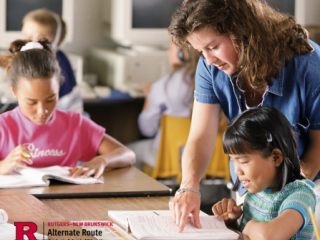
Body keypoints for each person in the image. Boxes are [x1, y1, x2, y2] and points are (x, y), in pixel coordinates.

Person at [168, 0, 320, 232]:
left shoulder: (310, 65)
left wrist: (287, 192)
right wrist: (189, 187)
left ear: (242, 33)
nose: (208, 60)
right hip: (255, 188)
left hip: (306, 188)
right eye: (200, 51)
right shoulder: (210, 67)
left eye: (213, 47)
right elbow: (200, 136)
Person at [0, 39, 135, 178]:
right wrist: (3, 165)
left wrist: (101, 160)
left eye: (50, 99)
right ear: (14, 91)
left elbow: (128, 154)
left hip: (65, 198)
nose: (42, 111)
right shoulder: (3, 126)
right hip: (17, 199)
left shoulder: (74, 123)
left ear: (58, 86)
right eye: (32, 102)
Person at [212, 106, 320, 240]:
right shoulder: (255, 194)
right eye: (233, 160)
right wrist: (231, 221)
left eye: (243, 161)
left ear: (275, 158)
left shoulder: (301, 196)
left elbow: (269, 236)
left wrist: (250, 226)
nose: (236, 170)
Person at [127, 39, 199, 170]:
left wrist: (148, 97)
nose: (167, 52)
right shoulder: (211, 81)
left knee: (127, 153)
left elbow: (147, 130)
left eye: (170, 48)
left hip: (170, 157)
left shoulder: (163, 86)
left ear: (183, 54)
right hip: (206, 156)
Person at [21, 9, 83, 113]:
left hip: (55, 124)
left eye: (37, 37)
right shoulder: (59, 57)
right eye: (24, 34)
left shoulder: (53, 65)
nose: (26, 40)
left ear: (56, 43)